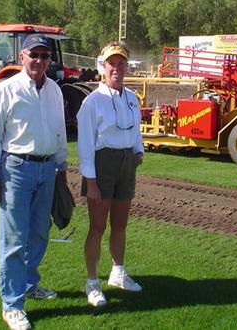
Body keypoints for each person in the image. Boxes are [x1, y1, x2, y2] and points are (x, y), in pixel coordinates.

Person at [0, 34, 68, 330]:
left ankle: (30, 282)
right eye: (35, 55)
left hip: (47, 169)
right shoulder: (6, 90)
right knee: (14, 240)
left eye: (45, 56)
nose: (40, 61)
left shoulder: (54, 89)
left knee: (39, 235)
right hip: (16, 169)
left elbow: (59, 130)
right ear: (23, 56)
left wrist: (62, 165)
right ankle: (12, 305)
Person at [77, 41, 144, 307]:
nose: (117, 68)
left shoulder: (131, 97)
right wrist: (91, 182)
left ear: (126, 66)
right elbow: (84, 144)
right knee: (97, 227)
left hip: (126, 164)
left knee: (120, 225)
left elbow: (136, 129)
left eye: (121, 63)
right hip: (101, 164)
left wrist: (138, 151)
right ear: (103, 67)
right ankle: (92, 282)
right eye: (111, 63)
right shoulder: (92, 101)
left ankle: (118, 272)